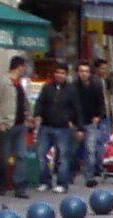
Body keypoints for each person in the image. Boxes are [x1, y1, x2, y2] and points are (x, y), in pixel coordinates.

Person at [0, 56, 31, 198]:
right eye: (24, 66)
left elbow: (24, 103)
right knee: (4, 157)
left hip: (20, 125)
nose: (25, 69)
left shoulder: (19, 84)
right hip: (6, 125)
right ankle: (1, 185)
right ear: (19, 67)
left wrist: (28, 116)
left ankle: (20, 187)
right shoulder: (2, 82)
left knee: (21, 156)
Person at [34, 65, 81, 194]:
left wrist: (78, 126)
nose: (60, 75)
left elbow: (77, 108)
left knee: (63, 158)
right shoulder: (47, 87)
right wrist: (37, 115)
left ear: (66, 75)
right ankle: (45, 181)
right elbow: (40, 102)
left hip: (63, 128)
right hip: (46, 126)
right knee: (41, 155)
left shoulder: (71, 90)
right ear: (54, 74)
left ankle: (62, 183)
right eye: (58, 72)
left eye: (62, 73)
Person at [74, 58, 112, 186]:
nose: (84, 74)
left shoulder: (96, 85)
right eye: (81, 71)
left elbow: (101, 103)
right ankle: (70, 174)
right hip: (76, 122)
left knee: (91, 149)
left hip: (91, 121)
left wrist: (98, 116)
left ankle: (90, 176)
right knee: (73, 149)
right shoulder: (73, 86)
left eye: (86, 71)